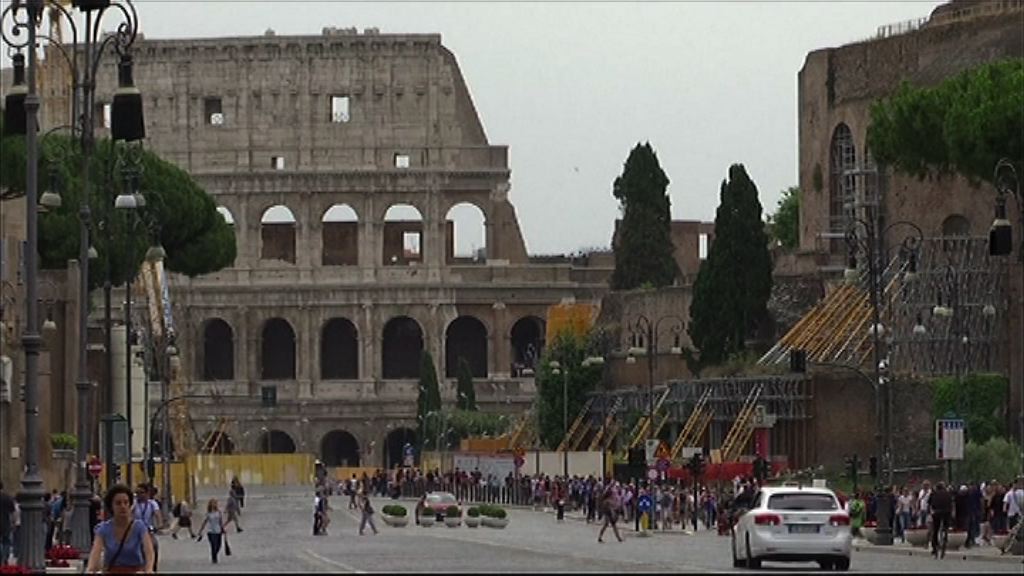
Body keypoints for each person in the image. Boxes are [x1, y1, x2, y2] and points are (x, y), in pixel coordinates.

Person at [85, 484, 155, 574]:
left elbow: (149, 552)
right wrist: (91, 569)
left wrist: (149, 569)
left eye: (126, 502)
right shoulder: (103, 529)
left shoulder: (139, 527)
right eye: (118, 503)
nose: (123, 506)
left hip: (135, 571)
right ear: (111, 506)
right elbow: (95, 553)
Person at [132, 484, 162, 572]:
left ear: (147, 493)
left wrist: (158, 525)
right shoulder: (134, 504)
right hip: (136, 531)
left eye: (141, 493)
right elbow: (129, 514)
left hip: (148, 531)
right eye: (137, 493)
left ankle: (153, 567)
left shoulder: (152, 504)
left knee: (154, 545)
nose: (139, 495)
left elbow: (158, 515)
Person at [195, 499, 226, 564]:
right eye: (213, 503)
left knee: (218, 545)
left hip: (218, 530)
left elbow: (220, 521)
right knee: (213, 545)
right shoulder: (208, 513)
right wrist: (201, 530)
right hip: (211, 531)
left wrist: (223, 528)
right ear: (210, 504)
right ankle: (214, 558)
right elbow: (204, 522)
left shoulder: (219, 512)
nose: (215, 504)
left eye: (215, 503)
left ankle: (215, 554)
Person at [929, 482, 954, 557]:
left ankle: (934, 547)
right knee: (945, 526)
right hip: (946, 512)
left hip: (937, 512)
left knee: (935, 529)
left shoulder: (934, 494)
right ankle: (945, 536)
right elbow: (951, 503)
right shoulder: (948, 493)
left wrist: (931, 511)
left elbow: (930, 504)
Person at [0, 482, 15, 565]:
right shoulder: (7, 497)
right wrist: (13, 523)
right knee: (6, 542)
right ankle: (4, 558)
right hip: (5, 523)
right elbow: (12, 512)